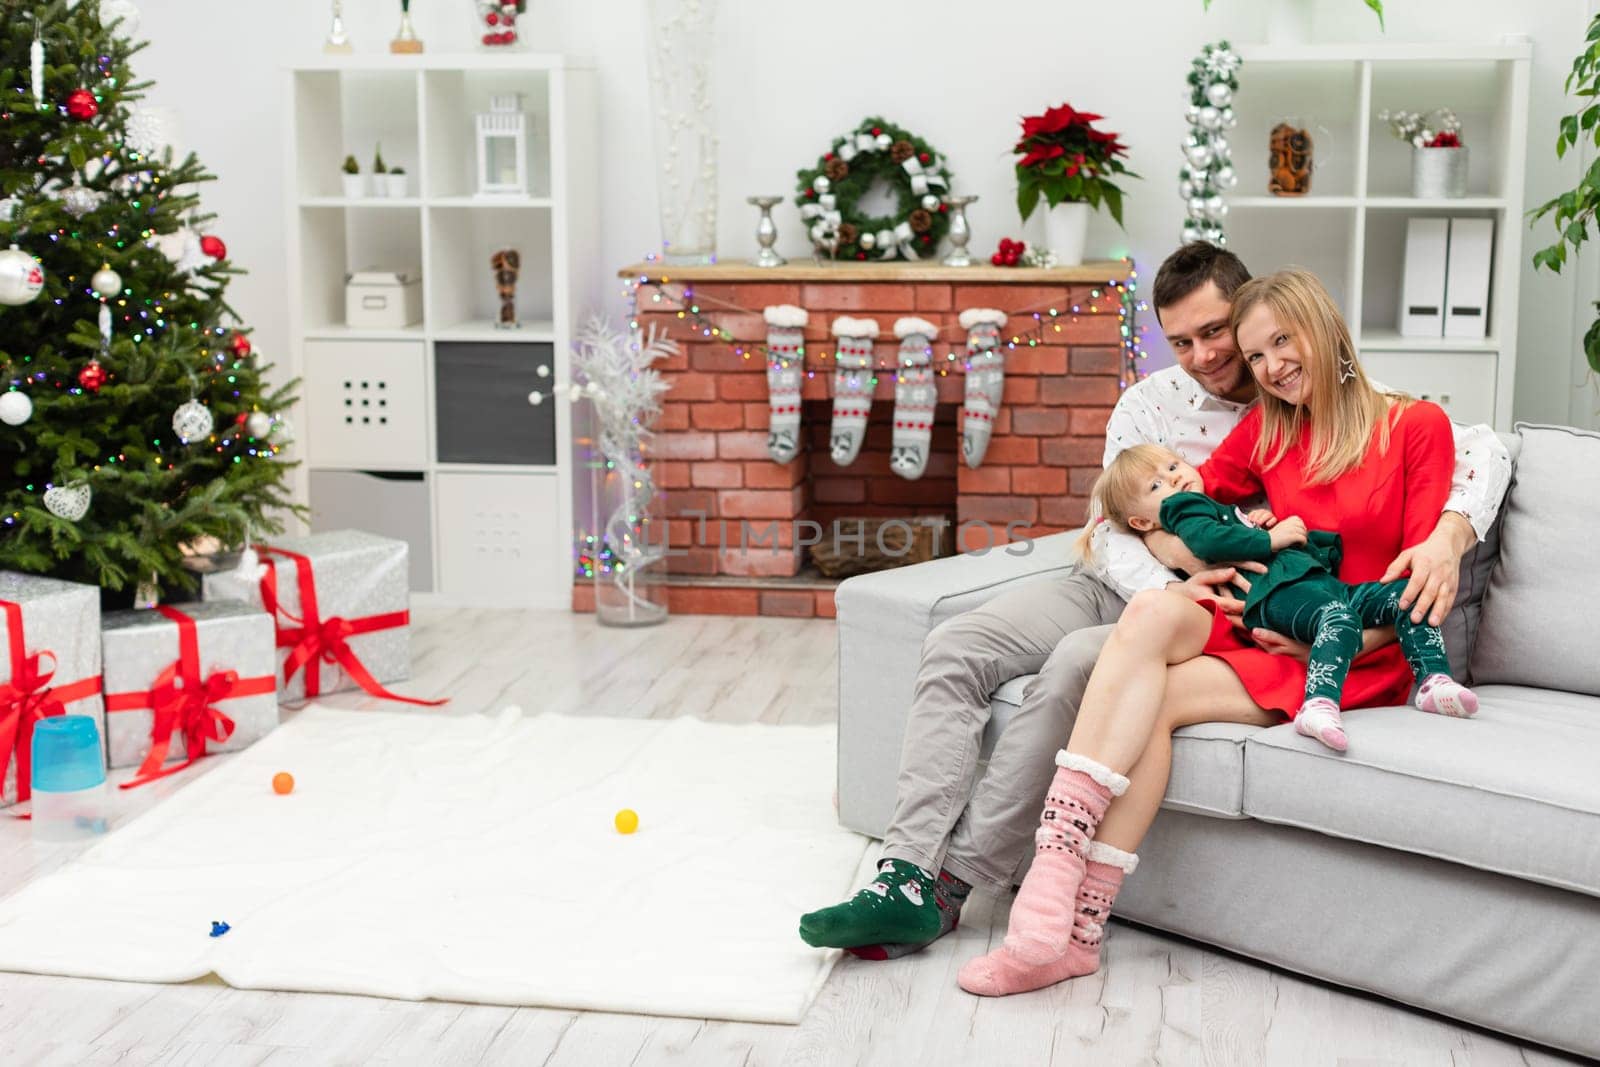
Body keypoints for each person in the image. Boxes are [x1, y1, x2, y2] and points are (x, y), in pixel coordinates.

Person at [797, 245, 1510, 964]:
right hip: (1127, 581)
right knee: (957, 643)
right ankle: (906, 873)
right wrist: (1174, 558)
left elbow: (1474, 453)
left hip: (1258, 615)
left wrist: (1451, 536)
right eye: (1183, 341)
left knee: (1086, 661)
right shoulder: (1167, 405)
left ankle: (961, 887)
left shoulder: (1329, 401)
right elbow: (1117, 519)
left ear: (1265, 312)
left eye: (1223, 334)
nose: (1209, 355)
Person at [955, 268, 1487, 998]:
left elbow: (1414, 582)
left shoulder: (1413, 425)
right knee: (1148, 617)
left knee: (1158, 695)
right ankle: (1060, 901)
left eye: (1282, 342)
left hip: (1357, 652)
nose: (1272, 367)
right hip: (1271, 618)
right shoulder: (1266, 429)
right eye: (1257, 355)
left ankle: (1064, 926)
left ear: (1325, 327)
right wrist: (1186, 554)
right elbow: (1172, 504)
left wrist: (1332, 639)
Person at [1086, 441, 1479, 753]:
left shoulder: (1216, 508)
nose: (1172, 481)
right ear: (1142, 521)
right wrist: (1268, 538)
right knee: (1339, 617)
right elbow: (1206, 538)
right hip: (1278, 595)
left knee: (1402, 596)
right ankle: (1319, 702)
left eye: (1173, 467)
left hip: (1318, 586)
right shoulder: (1184, 507)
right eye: (1156, 485)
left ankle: (1433, 679)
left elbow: (1223, 531)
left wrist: (1257, 524)